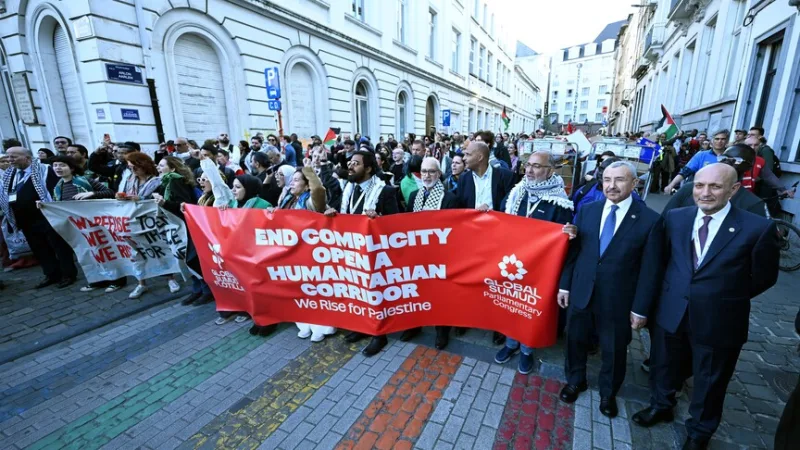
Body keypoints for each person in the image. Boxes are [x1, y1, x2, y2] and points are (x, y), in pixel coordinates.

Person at [632, 163, 780, 450]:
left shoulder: (757, 228)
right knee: (663, 366)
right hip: (671, 312)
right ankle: (661, 405)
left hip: (719, 320)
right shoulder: (676, 218)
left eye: (715, 186)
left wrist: (721, 296)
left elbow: (763, 278)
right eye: (699, 185)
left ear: (734, 189)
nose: (705, 193)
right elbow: (660, 263)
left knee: (710, 381)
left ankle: (699, 432)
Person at [558, 161, 663, 419]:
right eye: (606, 179)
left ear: (634, 183)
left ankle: (608, 393)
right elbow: (575, 253)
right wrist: (565, 285)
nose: (611, 186)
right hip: (583, 291)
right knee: (575, 340)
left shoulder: (650, 220)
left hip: (618, 300)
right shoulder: (588, 211)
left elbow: (651, 269)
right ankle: (575, 380)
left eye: (619, 180)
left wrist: (640, 309)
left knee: (614, 350)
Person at [495, 151, 575, 374]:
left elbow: (564, 242)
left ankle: (527, 351)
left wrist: (569, 233)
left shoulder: (560, 203)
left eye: (537, 166)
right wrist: (485, 213)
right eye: (527, 165)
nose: (529, 170)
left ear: (550, 170)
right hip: (511, 264)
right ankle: (511, 344)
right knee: (511, 306)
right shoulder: (516, 193)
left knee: (530, 310)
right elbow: (499, 219)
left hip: (539, 270)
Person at [324, 150, 399, 356]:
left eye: (356, 163)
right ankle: (362, 326)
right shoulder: (347, 188)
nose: (350, 166)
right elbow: (340, 213)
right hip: (352, 252)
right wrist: (332, 213)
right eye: (350, 162)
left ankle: (379, 334)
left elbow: (396, 226)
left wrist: (380, 218)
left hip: (375, 254)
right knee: (357, 292)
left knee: (376, 295)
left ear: (368, 168)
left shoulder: (385, 191)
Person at [455, 141, 515, 344]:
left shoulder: (505, 177)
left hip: (497, 240)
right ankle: (467, 318)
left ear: (480, 157)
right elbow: (458, 208)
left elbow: (511, 206)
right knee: (470, 281)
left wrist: (491, 212)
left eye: (467, 154)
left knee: (495, 283)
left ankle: (497, 325)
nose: (464, 158)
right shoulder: (463, 179)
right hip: (470, 240)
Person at [400, 157, 460, 350]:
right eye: (424, 171)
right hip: (417, 254)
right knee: (416, 291)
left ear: (439, 174)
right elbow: (407, 224)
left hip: (440, 256)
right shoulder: (414, 196)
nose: (427, 175)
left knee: (440, 294)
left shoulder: (450, 198)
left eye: (431, 172)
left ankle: (442, 330)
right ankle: (415, 325)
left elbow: (455, 231)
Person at [276, 166, 336, 342]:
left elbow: (318, 189)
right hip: (292, 253)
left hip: (312, 253)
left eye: (296, 180)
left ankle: (322, 327)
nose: (292, 183)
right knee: (299, 289)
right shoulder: (287, 199)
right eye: (292, 179)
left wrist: (308, 168)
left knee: (316, 290)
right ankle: (304, 324)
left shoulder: (311, 201)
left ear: (306, 185)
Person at [0, 147, 73, 288]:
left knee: (59, 247)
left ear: (27, 157)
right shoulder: (10, 174)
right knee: (39, 248)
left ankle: (68, 274)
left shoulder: (45, 170)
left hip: (47, 216)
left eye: (13, 157)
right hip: (25, 220)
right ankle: (51, 274)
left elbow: (56, 190)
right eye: (8, 157)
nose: (10, 160)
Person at [128, 156, 193, 299]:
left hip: (181, 224)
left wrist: (164, 203)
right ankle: (197, 289)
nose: (158, 167)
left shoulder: (176, 181)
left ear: (173, 168)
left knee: (188, 257)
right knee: (183, 257)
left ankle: (203, 290)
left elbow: (184, 204)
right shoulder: (166, 181)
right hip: (174, 224)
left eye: (162, 165)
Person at [663, 129, 730, 193]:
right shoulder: (701, 155)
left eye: (723, 139)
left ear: (727, 141)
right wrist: (671, 185)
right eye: (717, 139)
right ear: (712, 141)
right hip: (701, 191)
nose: (719, 141)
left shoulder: (731, 157)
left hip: (722, 192)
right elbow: (685, 172)